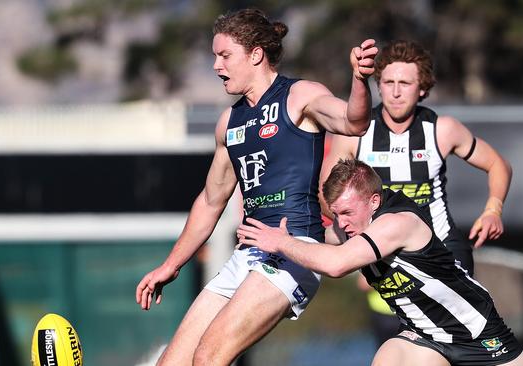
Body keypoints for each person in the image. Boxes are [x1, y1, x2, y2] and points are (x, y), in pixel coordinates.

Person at [135, 8, 378, 365]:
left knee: (209, 357)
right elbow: (210, 200)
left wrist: (359, 80)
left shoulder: (300, 96)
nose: (217, 66)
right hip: (247, 255)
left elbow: (353, 121)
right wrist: (172, 265)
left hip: (293, 249)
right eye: (214, 56)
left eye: (224, 56)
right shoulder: (230, 122)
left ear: (256, 55)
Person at [238, 159, 523, 366]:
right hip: (425, 335)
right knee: (387, 359)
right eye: (336, 214)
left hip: (478, 333)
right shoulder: (356, 223)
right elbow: (321, 236)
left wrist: (279, 242)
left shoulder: (398, 224)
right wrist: (282, 231)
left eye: (347, 213)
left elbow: (336, 265)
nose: (342, 223)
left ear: (374, 202)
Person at [319, 39, 513, 340]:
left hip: (444, 253)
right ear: (378, 86)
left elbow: (498, 164)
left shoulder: (442, 129)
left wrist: (493, 209)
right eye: (389, 82)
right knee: (402, 346)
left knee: (447, 341)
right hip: (384, 259)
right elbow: (325, 196)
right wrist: (353, 246)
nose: (396, 92)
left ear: (422, 88)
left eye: (405, 83)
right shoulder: (356, 135)